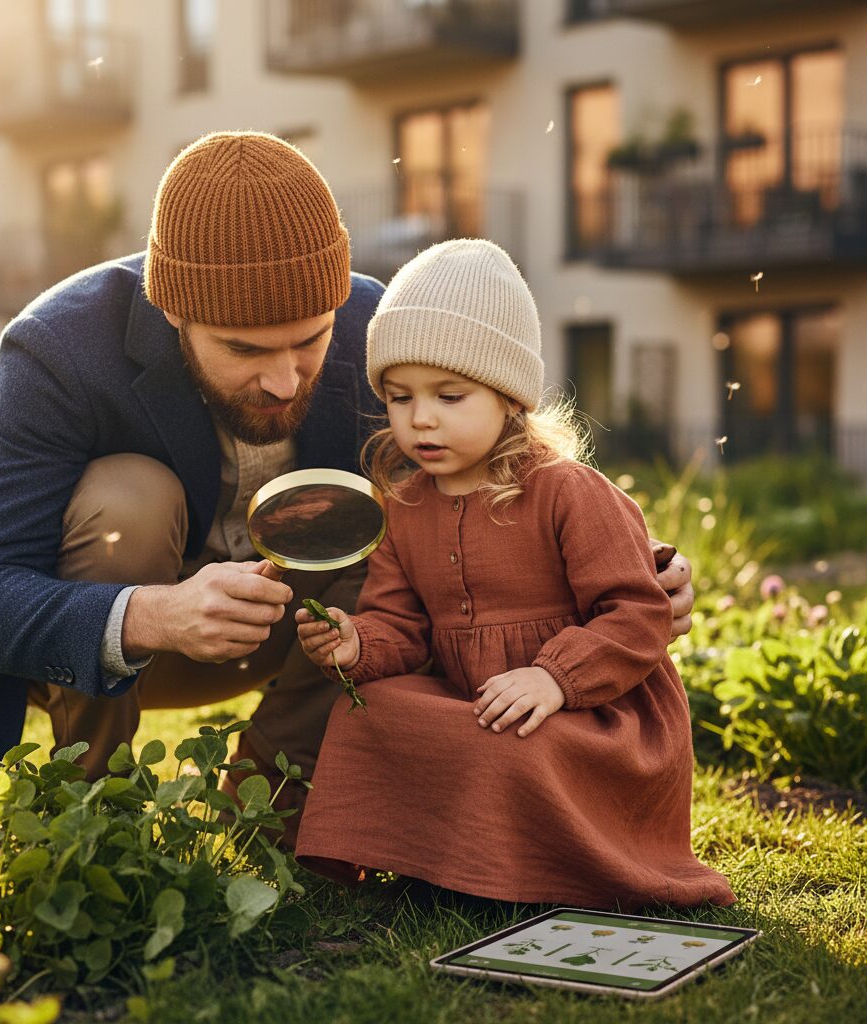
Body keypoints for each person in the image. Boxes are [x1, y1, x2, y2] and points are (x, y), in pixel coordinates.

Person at [0, 132, 696, 846]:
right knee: (128, 499)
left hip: (312, 638)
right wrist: (155, 614)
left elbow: (496, 473)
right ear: (172, 310)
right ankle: (92, 813)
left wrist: (624, 565)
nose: (284, 379)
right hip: (109, 650)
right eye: (244, 349)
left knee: (393, 524)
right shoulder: (60, 347)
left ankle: (269, 809)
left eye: (311, 339)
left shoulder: (381, 329)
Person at [295, 239, 735, 909]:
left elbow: (638, 613)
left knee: (514, 745)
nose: (421, 418)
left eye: (450, 395)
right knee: (369, 713)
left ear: (509, 398)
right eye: (400, 397)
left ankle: (508, 875)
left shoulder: (565, 490)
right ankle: (435, 863)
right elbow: (401, 626)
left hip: (592, 711)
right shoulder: (406, 507)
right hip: (475, 704)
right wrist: (358, 642)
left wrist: (554, 678)